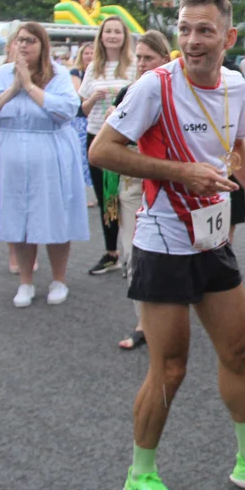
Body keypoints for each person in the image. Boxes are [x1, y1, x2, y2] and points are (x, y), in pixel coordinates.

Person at [88, 0, 245, 490]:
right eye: (185, 29)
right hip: (162, 240)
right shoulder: (153, 86)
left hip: (212, 239)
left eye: (204, 30)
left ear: (228, 37)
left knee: (239, 352)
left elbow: (239, 147)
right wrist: (180, 171)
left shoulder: (237, 83)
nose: (191, 40)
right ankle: (140, 477)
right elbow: (102, 151)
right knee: (169, 368)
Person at [0, 23, 89, 309]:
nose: (24, 45)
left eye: (31, 41)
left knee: (54, 216)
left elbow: (65, 110)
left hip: (50, 153)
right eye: (20, 40)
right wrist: (13, 88)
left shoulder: (60, 75)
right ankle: (25, 281)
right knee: (19, 219)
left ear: (42, 45)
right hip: (11, 153)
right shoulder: (0, 74)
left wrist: (29, 86)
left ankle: (58, 279)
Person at [112, 31, 173, 351]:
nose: (140, 64)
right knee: (134, 255)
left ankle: (171, 315)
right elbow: (107, 142)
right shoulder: (129, 92)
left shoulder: (178, 93)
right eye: (137, 57)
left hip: (170, 185)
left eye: (148, 58)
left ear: (165, 59)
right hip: (134, 183)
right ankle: (143, 324)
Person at [79, 17, 137, 275]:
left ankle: (131, 252)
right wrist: (94, 98)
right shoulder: (93, 67)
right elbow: (82, 109)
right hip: (97, 138)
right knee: (106, 198)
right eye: (108, 31)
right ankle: (111, 252)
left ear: (124, 36)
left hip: (125, 141)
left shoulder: (134, 65)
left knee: (128, 198)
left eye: (117, 31)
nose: (112, 35)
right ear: (101, 36)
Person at [69, 42, 95, 198]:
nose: (89, 56)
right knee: (81, 156)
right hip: (80, 119)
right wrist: (92, 95)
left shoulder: (99, 71)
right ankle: (83, 193)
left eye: (92, 53)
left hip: (95, 118)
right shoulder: (76, 72)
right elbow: (77, 94)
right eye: (86, 53)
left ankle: (93, 193)